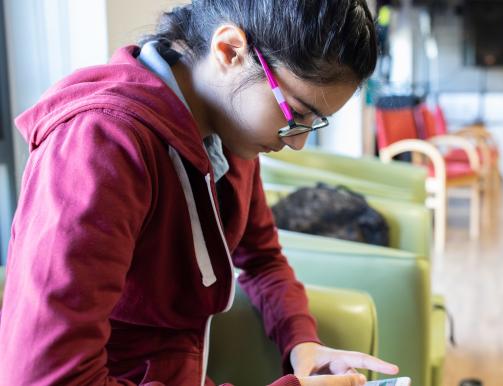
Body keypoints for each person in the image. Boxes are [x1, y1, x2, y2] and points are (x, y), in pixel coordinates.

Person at [0, 1, 399, 385]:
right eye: (295, 114)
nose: (297, 143)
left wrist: (302, 341)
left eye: (314, 123)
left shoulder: (228, 132)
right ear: (229, 50)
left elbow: (263, 260)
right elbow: (44, 378)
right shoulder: (100, 145)